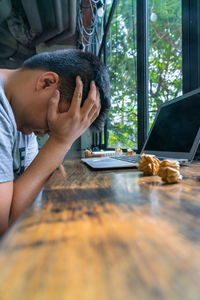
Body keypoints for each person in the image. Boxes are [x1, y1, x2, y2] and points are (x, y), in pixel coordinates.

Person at [0, 49, 110, 236]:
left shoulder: (21, 121)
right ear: (46, 83)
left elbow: (30, 187)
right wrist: (61, 141)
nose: (46, 134)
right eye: (53, 123)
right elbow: (6, 225)